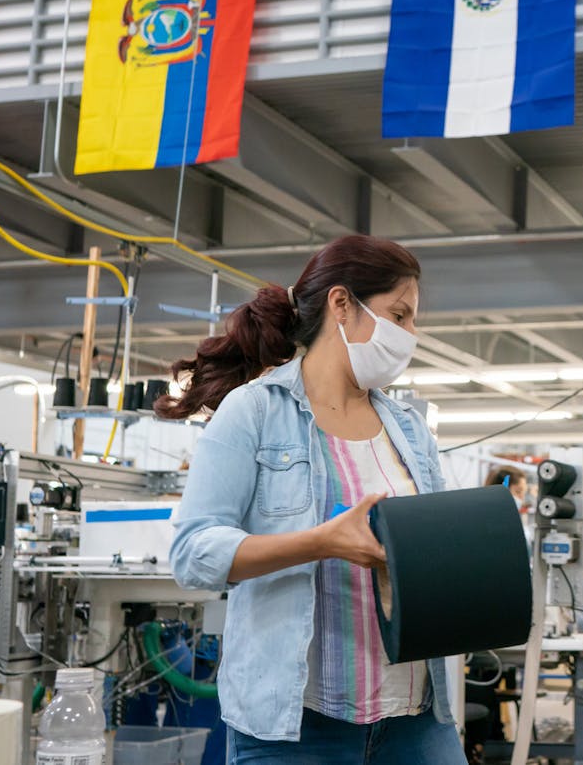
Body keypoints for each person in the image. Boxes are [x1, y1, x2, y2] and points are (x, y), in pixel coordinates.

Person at [163, 235, 464, 765]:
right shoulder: (254, 412)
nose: (411, 335)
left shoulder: (410, 430)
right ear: (342, 305)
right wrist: (321, 543)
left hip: (416, 716)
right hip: (298, 725)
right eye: (400, 314)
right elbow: (193, 553)